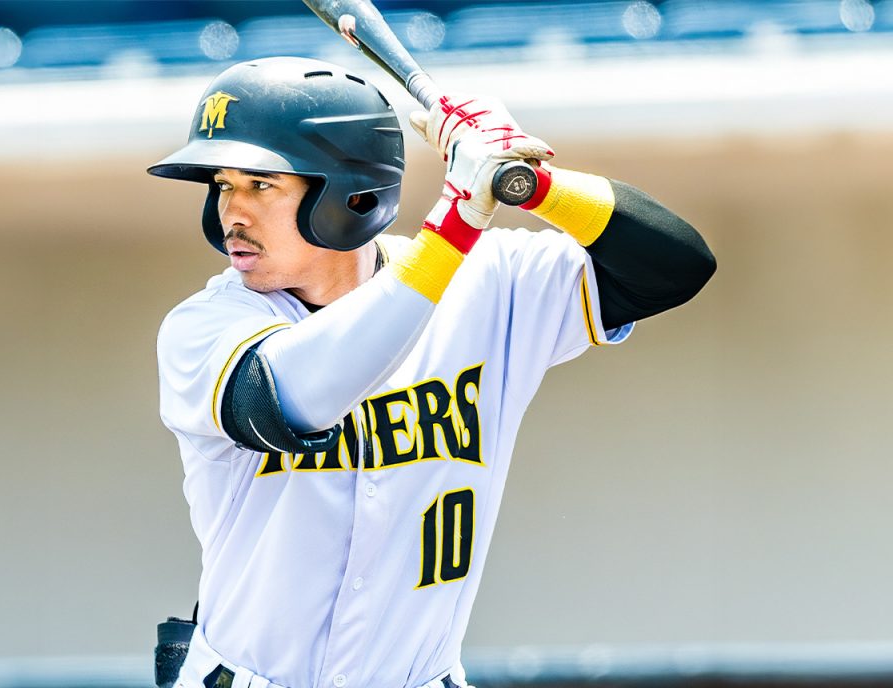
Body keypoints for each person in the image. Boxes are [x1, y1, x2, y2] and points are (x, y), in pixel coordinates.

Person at [148, 56, 715, 688]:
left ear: (353, 194)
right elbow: (298, 395)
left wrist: (527, 182)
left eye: (261, 185)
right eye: (224, 185)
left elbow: (674, 263)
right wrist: (455, 225)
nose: (234, 212)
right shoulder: (205, 326)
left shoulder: (487, 281)